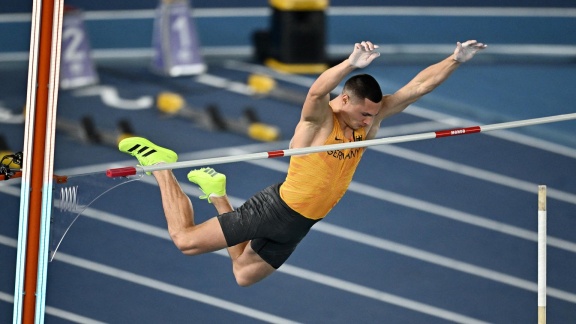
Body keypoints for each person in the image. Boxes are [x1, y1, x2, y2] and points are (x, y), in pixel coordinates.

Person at [119, 40, 487, 286]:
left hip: (302, 222)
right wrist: (348, 63)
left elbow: (417, 88)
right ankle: (162, 165)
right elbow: (315, 91)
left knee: (243, 274)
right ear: (344, 100)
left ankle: (217, 193)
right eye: (362, 113)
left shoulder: (368, 120)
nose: (367, 121)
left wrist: (454, 60)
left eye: (372, 115)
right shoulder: (320, 121)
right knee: (185, 241)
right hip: (276, 209)